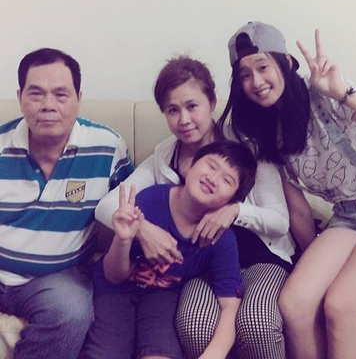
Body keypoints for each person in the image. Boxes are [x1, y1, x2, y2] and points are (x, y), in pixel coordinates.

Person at [219, 21, 356, 359]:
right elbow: (299, 209)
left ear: (286, 62)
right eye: (245, 75)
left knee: (341, 305)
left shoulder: (325, 92)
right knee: (295, 303)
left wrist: (342, 91)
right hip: (347, 215)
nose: (256, 81)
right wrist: (311, 259)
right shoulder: (261, 130)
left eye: (263, 67)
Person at [94, 56, 296, 359]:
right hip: (202, 264)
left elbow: (280, 221)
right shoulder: (164, 157)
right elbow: (109, 204)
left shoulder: (248, 147)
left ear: (212, 102)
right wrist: (142, 230)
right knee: (194, 325)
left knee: (257, 323)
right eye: (172, 110)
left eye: (192, 106)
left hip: (259, 256)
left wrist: (235, 211)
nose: (184, 120)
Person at [0, 48, 133, 359]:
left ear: (78, 98)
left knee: (71, 310)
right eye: (36, 94)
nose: (48, 105)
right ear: (20, 97)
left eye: (61, 94)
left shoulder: (107, 147)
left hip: (58, 280)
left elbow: (136, 202)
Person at [81, 141, 257, 359]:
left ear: (232, 200)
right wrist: (123, 240)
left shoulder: (220, 238)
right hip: (114, 290)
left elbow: (230, 305)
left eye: (227, 180)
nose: (213, 178)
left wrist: (215, 353)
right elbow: (114, 277)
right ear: (190, 165)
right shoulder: (151, 200)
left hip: (162, 296)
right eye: (211, 166)